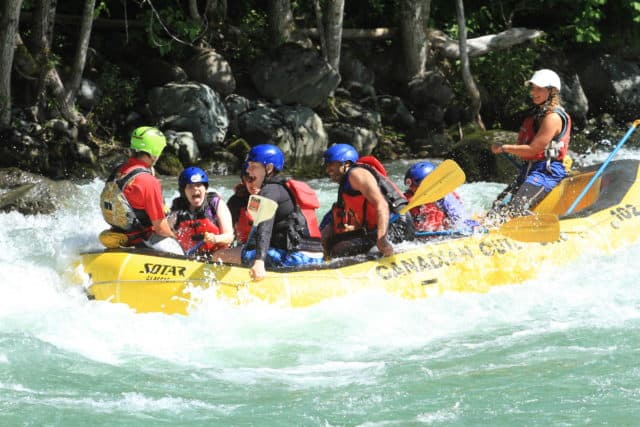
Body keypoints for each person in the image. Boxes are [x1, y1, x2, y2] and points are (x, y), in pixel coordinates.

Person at [214, 144, 323, 280]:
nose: (248, 170)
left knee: (219, 255)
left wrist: (259, 261)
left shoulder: (268, 191)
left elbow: (264, 226)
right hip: (315, 257)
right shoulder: (281, 189)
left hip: (295, 258)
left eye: (253, 166)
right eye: (248, 165)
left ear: (269, 168)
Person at [489, 69, 572, 221]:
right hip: (531, 169)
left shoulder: (553, 118)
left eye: (539, 88)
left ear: (551, 91)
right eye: (533, 88)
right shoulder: (539, 114)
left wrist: (504, 148)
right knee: (497, 206)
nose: (533, 92)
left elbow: (534, 150)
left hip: (547, 172)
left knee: (515, 208)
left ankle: (536, 227)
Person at [99, 126, 183, 254]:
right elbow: (160, 228)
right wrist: (177, 241)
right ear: (155, 151)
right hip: (142, 241)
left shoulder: (118, 171)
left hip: (119, 236)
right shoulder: (148, 181)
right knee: (178, 247)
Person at [321, 143, 414, 258]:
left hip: (397, 224)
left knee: (341, 249)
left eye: (331, 165)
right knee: (333, 243)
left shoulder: (356, 174)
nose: (328, 170)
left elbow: (382, 204)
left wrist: (382, 239)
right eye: (327, 165)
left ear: (347, 163)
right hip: (383, 227)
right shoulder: (346, 183)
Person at [168, 166, 234, 256]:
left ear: (205, 188)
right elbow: (166, 232)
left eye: (199, 185)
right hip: (188, 257)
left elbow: (230, 236)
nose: (195, 189)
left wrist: (215, 238)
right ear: (184, 191)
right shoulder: (178, 207)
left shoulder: (215, 203)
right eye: (190, 186)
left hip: (217, 255)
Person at [404, 161, 477, 234]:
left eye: (416, 185)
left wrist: (472, 228)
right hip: (420, 236)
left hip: (443, 234)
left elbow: (461, 219)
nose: (413, 189)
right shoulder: (406, 199)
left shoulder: (445, 197)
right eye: (411, 186)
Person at [226, 170, 260, 246]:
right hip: (244, 245)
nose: (253, 182)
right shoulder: (235, 201)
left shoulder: (273, 195)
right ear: (244, 181)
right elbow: (230, 230)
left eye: (256, 178)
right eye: (248, 179)